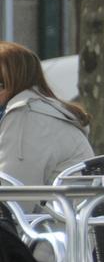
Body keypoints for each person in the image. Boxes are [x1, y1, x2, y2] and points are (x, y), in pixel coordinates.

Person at [0, 42, 94, 189]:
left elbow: (13, 197)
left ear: (12, 84)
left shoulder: (26, 116)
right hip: (65, 209)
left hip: (58, 211)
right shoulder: (40, 110)